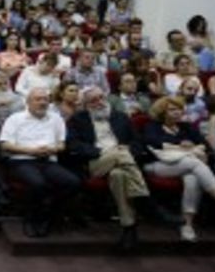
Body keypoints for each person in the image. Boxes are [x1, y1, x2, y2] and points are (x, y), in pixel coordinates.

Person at [66, 87, 178, 251]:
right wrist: (103, 151)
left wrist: (127, 150)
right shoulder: (78, 119)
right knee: (120, 153)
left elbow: (137, 142)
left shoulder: (120, 117)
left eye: (101, 98)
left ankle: (129, 228)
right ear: (85, 104)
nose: (99, 103)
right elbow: (74, 145)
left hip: (122, 162)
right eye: (93, 100)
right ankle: (147, 203)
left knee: (118, 175)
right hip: (96, 162)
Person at [143, 96, 215, 242]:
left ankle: (187, 224)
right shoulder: (152, 126)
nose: (177, 112)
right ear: (162, 112)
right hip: (157, 165)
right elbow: (152, 142)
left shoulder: (186, 126)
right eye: (172, 109)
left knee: (193, 176)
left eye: (179, 109)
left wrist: (189, 147)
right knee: (194, 163)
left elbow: (205, 145)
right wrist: (184, 145)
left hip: (185, 164)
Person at [0, 88, 82, 237]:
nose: (43, 102)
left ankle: (49, 212)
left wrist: (52, 149)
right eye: (38, 99)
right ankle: (34, 218)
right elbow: (5, 144)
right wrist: (31, 151)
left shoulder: (56, 119)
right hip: (22, 160)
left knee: (73, 182)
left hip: (48, 160)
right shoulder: (15, 119)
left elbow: (62, 145)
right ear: (28, 102)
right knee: (38, 184)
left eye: (45, 99)